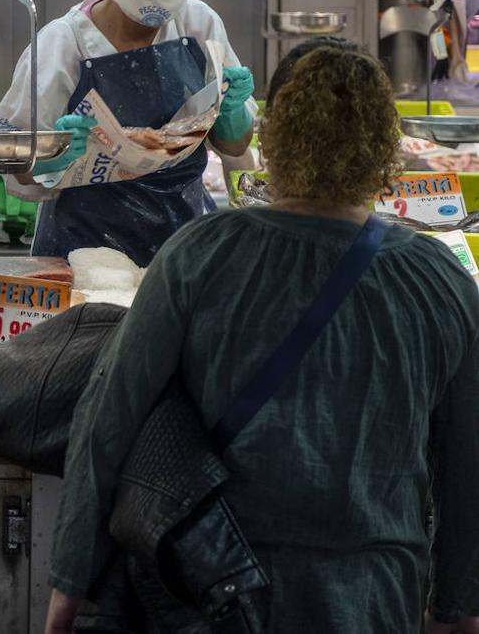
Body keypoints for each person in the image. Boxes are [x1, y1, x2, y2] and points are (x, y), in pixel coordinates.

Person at [45, 41, 479, 633]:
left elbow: (109, 418)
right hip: (372, 598)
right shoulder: (440, 282)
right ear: (386, 145)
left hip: (219, 587)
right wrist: (456, 606)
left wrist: (69, 584)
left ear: (274, 137)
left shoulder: (201, 252)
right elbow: (468, 465)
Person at [0, 0, 255, 266]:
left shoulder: (199, 24)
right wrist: (52, 156)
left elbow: (233, 145)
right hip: (81, 254)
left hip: (182, 250)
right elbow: (12, 159)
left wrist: (232, 114)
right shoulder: (64, 44)